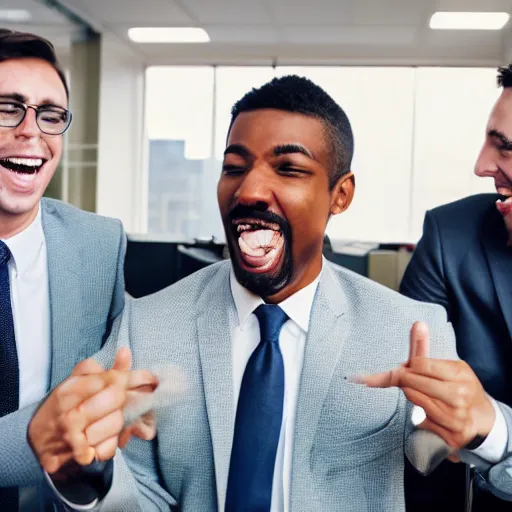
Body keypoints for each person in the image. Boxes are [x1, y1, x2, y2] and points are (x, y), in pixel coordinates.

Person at [27, 76, 510, 511]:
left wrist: (487, 433)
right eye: (235, 168)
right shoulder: (147, 325)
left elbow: (434, 457)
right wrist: (86, 474)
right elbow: (137, 497)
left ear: (340, 195)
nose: (250, 190)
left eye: (289, 169)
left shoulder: (407, 331)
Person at [0, 29, 128, 510]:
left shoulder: (98, 244)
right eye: (7, 108)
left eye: (50, 115)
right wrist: (35, 438)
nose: (31, 131)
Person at [400, 64, 512, 511]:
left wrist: (492, 433)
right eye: (490, 138)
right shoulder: (452, 234)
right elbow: (410, 407)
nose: (482, 165)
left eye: (506, 148)